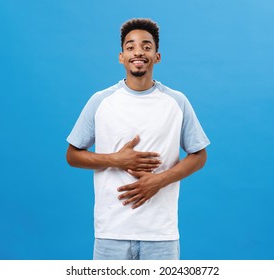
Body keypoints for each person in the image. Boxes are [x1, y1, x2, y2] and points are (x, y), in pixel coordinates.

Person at [66, 18, 210, 260]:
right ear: (121, 56)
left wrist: (158, 181)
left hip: (161, 234)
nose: (138, 52)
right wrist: (117, 159)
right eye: (130, 47)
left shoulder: (177, 102)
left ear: (157, 56)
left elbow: (199, 155)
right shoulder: (100, 101)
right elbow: (72, 155)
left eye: (146, 46)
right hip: (111, 233)